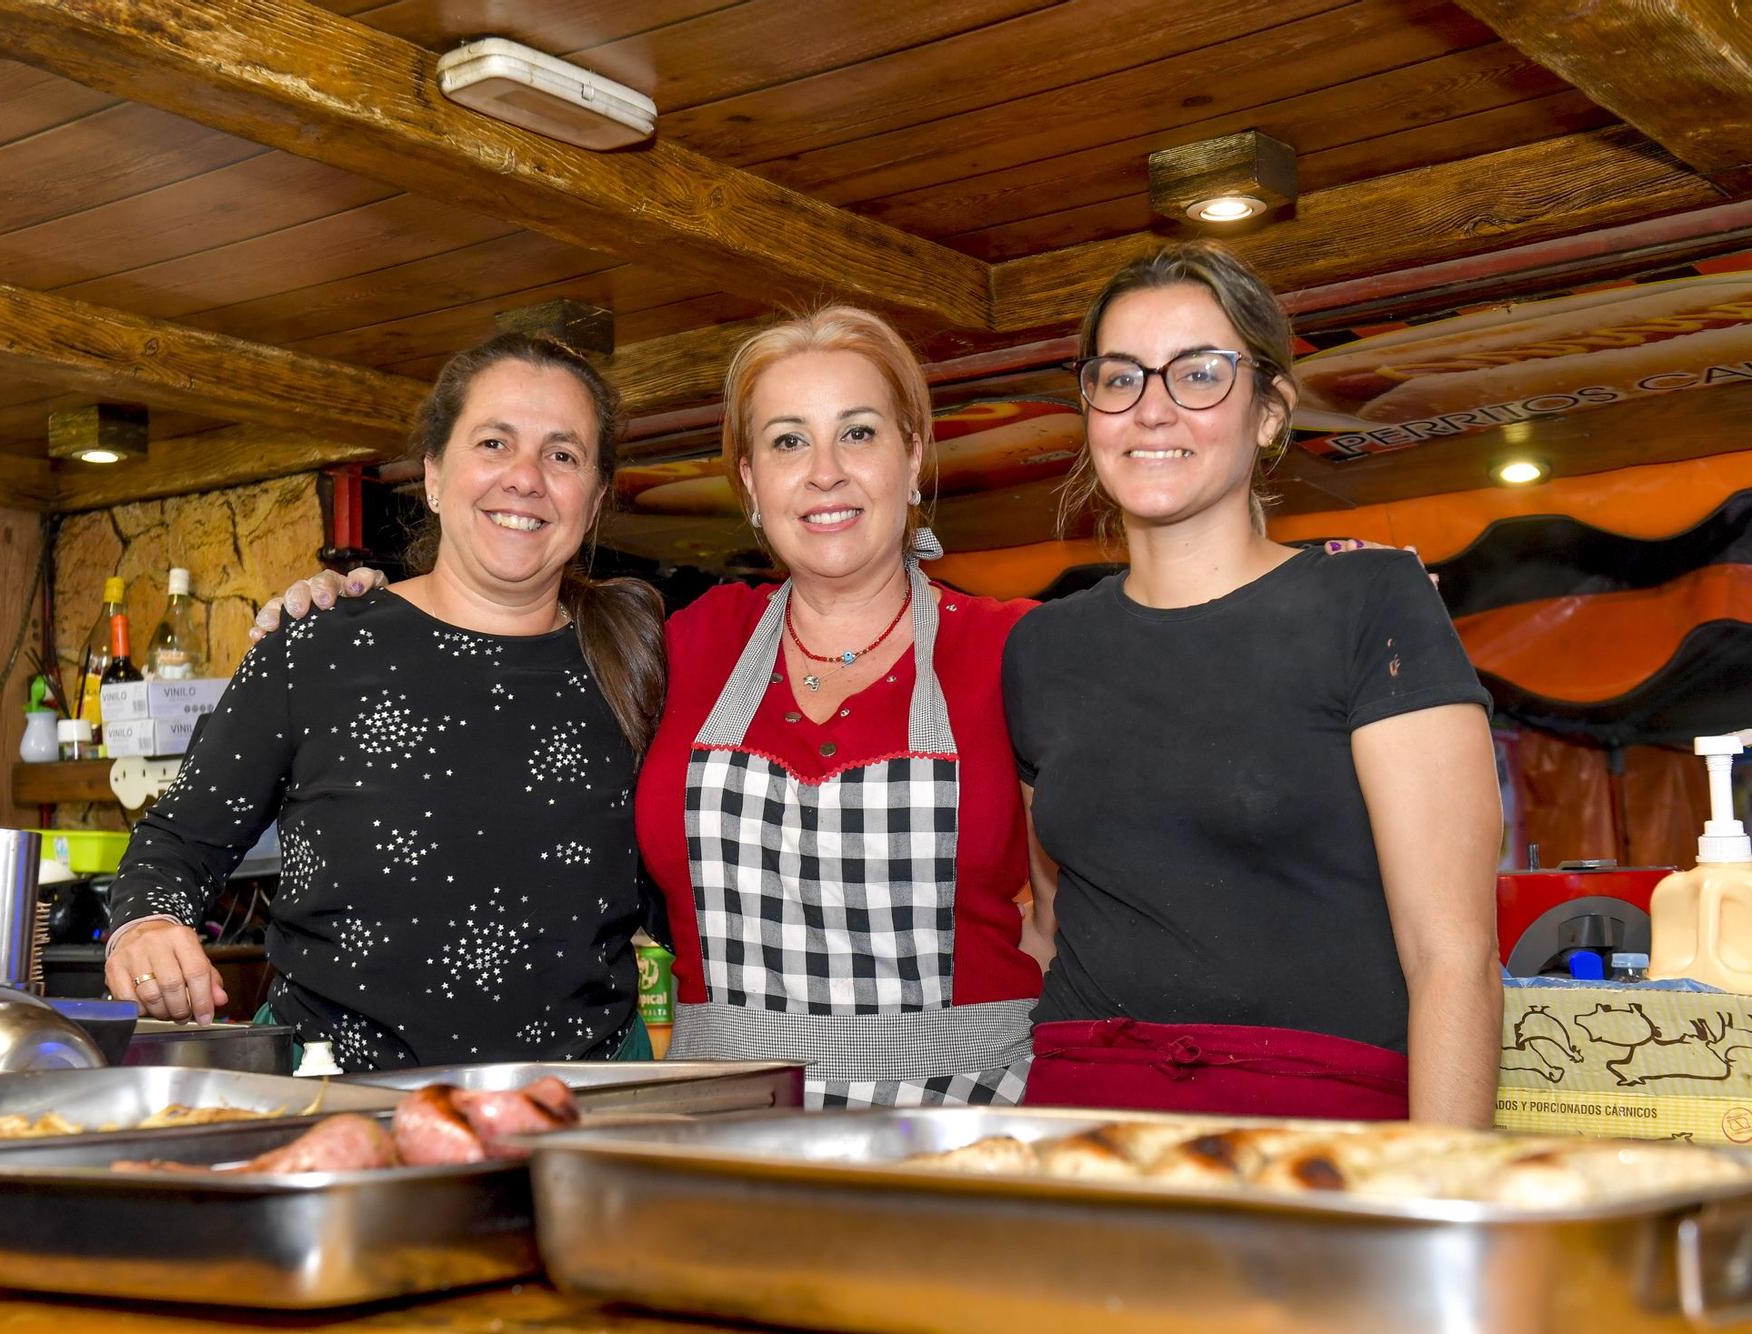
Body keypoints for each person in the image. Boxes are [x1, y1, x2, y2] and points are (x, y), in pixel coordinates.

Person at [285, 308, 1048, 1106]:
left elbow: (1069, 922)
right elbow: (503, 637)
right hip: (723, 1113)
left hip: (962, 1115)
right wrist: (358, 611)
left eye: (857, 433)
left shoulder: (1016, 650)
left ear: (912, 454)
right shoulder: (681, 644)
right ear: (751, 479)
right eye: (788, 441)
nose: (825, 471)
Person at [1004, 242, 1502, 1125]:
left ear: (1269, 412)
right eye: (1119, 378)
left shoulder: (1371, 603)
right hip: (1082, 1125)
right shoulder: (1043, 646)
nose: (1152, 411)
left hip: (1319, 1129)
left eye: (1198, 374)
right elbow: (1050, 921)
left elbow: (1453, 959)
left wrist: (1441, 1209)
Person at [103, 332, 665, 1070]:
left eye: (561, 455)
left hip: (581, 1113)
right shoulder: (318, 645)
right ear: (433, 475)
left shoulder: (641, 660)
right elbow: (175, 845)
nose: (525, 477)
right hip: (341, 1106)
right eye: (494, 443)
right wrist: (146, 927)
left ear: (592, 502)